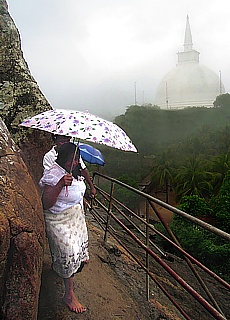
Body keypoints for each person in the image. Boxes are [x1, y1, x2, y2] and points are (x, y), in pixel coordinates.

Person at [39, 142, 90, 314]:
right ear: (62, 158)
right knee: (69, 251)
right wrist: (60, 184)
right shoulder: (53, 173)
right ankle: (69, 295)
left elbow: (78, 191)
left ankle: (64, 270)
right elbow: (46, 204)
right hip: (57, 218)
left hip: (75, 217)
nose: (74, 163)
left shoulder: (75, 172)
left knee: (77, 252)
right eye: (71, 160)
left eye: (76, 159)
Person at [43, 134, 96, 205]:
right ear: (55, 141)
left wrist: (91, 187)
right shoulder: (49, 157)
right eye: (62, 141)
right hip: (59, 201)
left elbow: (83, 170)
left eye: (67, 141)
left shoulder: (74, 154)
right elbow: (49, 181)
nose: (65, 144)